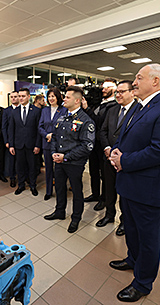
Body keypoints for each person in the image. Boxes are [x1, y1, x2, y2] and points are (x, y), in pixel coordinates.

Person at [108, 64, 160, 302]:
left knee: (150, 239)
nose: (134, 82)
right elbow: (125, 137)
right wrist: (115, 153)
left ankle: (143, 283)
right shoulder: (140, 106)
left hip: (152, 189)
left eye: (139, 77)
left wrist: (124, 161)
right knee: (131, 230)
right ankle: (133, 260)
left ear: (155, 81)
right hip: (130, 185)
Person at [43, 86, 95, 233]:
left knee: (77, 191)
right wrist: (54, 152)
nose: (63, 99)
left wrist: (66, 156)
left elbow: (87, 146)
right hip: (59, 160)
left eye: (67, 97)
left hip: (74, 163)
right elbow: (54, 136)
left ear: (77, 100)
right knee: (59, 187)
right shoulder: (63, 116)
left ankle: (76, 218)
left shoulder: (86, 121)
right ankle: (59, 211)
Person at [96, 80, 137, 234]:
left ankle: (124, 221)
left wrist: (122, 155)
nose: (118, 95)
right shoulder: (112, 109)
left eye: (122, 91)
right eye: (117, 92)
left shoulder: (139, 110)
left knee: (125, 193)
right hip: (109, 158)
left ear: (132, 92)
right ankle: (109, 215)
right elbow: (103, 131)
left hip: (126, 160)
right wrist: (107, 148)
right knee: (109, 188)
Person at [84, 78, 117, 211]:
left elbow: (100, 123)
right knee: (93, 170)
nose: (103, 89)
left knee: (105, 174)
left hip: (104, 144)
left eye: (107, 87)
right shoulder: (98, 103)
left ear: (114, 89)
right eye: (103, 87)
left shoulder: (114, 106)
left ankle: (104, 198)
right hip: (93, 142)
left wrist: (87, 109)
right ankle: (95, 194)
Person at [8, 88, 42, 196]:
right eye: (19, 96)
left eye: (23, 96)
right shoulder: (14, 112)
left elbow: (38, 130)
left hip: (32, 145)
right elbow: (11, 129)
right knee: (20, 166)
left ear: (28, 97)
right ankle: (21, 185)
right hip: (18, 145)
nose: (20, 98)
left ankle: (33, 185)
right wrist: (11, 145)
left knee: (32, 166)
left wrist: (37, 145)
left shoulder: (36, 111)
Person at [38, 88, 67, 201]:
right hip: (47, 143)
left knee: (59, 169)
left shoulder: (64, 110)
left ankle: (60, 191)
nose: (51, 98)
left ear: (58, 97)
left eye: (53, 96)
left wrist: (52, 135)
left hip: (59, 144)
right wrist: (46, 135)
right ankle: (49, 191)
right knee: (48, 169)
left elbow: (65, 126)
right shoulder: (44, 110)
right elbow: (40, 126)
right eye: (49, 96)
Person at [2, 91, 19, 187]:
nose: (13, 98)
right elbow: (4, 127)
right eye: (11, 97)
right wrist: (6, 141)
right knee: (11, 161)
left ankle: (23, 177)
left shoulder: (22, 109)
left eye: (15, 97)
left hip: (21, 140)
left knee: (21, 161)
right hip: (11, 140)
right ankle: (12, 178)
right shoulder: (6, 111)